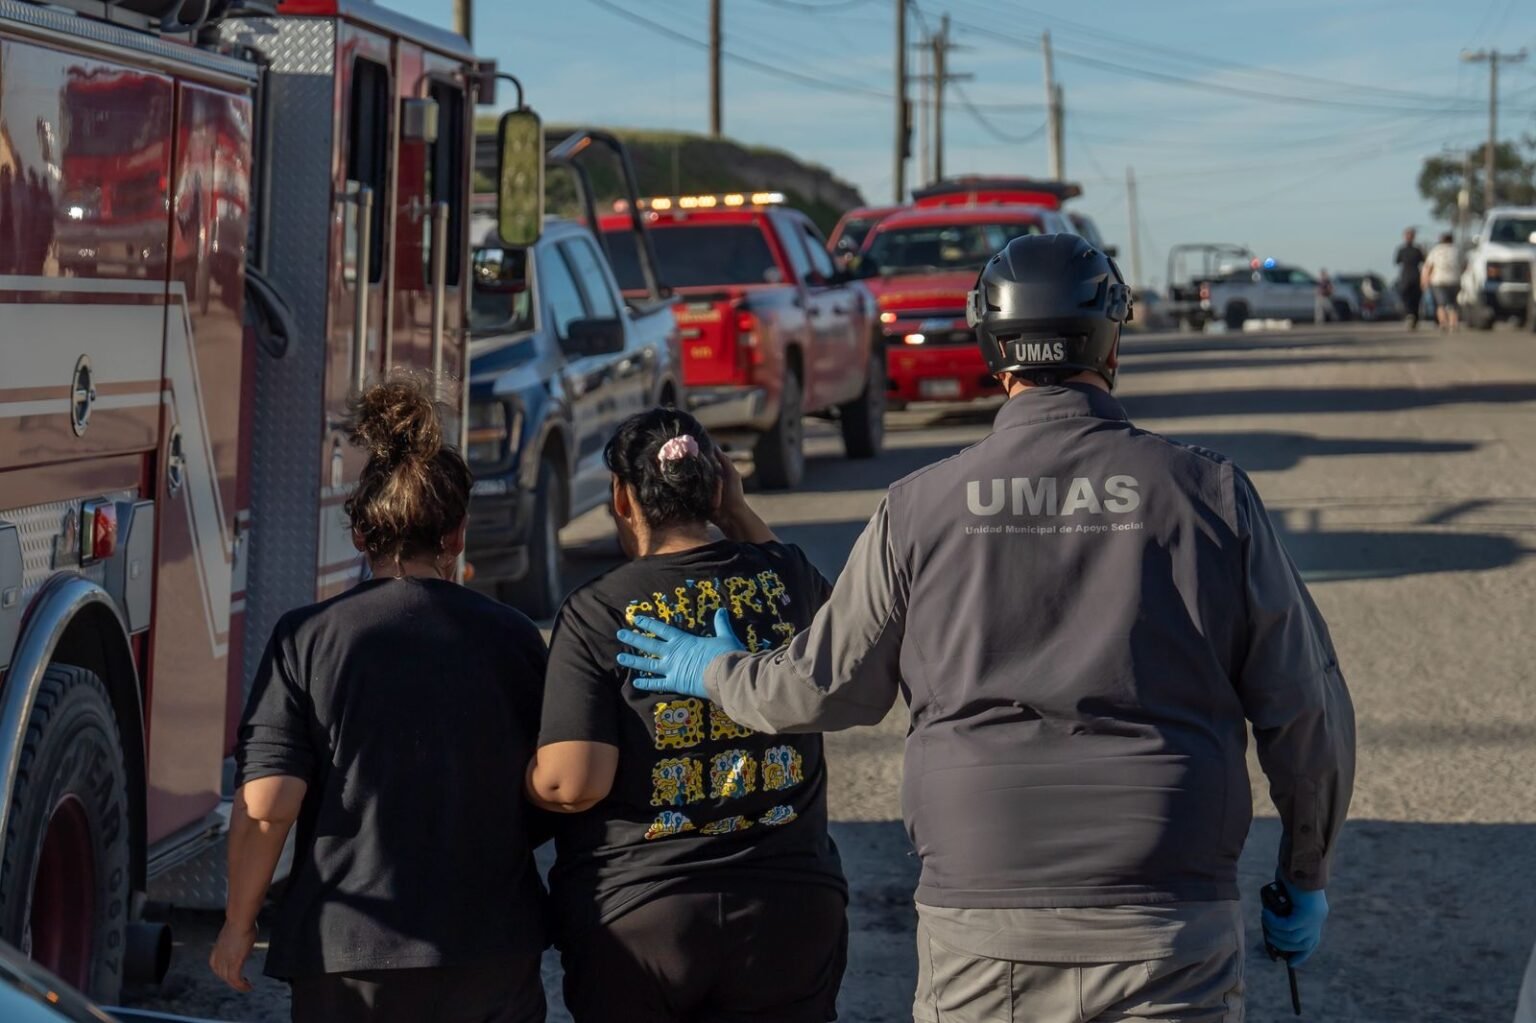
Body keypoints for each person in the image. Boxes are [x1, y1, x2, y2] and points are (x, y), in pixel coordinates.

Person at [617, 234, 1357, 1023]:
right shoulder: (1211, 496)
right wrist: (1305, 870)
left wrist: (716, 670)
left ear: (992, 349)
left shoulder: (918, 507)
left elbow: (823, 688)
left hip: (982, 898)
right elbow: (1305, 707)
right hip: (1168, 900)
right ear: (1110, 345)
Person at [210, 374, 550, 1023]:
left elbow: (267, 805)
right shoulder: (514, 636)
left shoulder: (306, 638)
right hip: (490, 944)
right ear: (456, 535)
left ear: (360, 536)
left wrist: (237, 923)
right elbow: (554, 783)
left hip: (347, 952)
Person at [527, 407, 848, 1023]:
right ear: (717, 486)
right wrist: (738, 514)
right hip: (791, 907)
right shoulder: (788, 576)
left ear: (622, 498)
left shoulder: (599, 610)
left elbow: (574, 783)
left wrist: (521, 781)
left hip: (646, 912)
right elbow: (844, 635)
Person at [1422, 231, 1462, 332]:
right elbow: (1464, 265)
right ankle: (1453, 324)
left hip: (1438, 280)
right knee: (1453, 304)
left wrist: (1425, 280)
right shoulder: (1457, 250)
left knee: (1441, 304)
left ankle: (1443, 323)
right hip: (1455, 280)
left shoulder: (1436, 250)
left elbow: (1428, 266)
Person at [1395, 227, 1426, 329]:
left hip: (1415, 276)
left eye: (1411, 235)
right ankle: (1409, 315)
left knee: (1416, 299)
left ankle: (1414, 318)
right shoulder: (1401, 249)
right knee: (1405, 296)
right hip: (1405, 276)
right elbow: (1397, 261)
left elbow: (1423, 261)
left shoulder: (1418, 249)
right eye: (1407, 235)